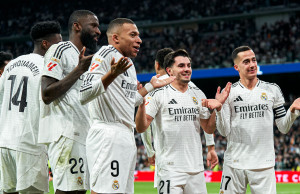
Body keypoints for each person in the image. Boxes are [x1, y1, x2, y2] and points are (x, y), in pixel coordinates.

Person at [79, 18, 174, 194]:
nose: (139, 40)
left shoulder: (128, 64)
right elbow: (83, 94)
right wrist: (111, 74)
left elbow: (128, 104)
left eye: (139, 35)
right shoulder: (105, 54)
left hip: (125, 135)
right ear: (115, 38)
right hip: (108, 135)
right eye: (133, 35)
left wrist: (150, 86)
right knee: (105, 191)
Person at [204, 46, 300, 194]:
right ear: (236, 67)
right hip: (234, 165)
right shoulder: (229, 92)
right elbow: (224, 131)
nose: (252, 65)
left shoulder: (272, 90)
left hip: (264, 165)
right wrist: (219, 108)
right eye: (246, 61)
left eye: (254, 60)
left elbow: (283, 127)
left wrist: (292, 111)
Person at [135, 49, 219, 194]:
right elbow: (141, 127)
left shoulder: (198, 93)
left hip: (196, 169)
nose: (186, 69)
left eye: (188, 65)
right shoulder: (157, 93)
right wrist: (142, 106)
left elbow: (208, 129)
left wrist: (218, 109)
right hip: (169, 169)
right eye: (181, 66)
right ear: (169, 70)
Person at [39, 10, 100, 194]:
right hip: (66, 134)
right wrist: (79, 71)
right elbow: (46, 93)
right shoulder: (60, 49)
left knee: (78, 190)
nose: (98, 31)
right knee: (68, 191)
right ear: (77, 26)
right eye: (94, 26)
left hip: (81, 135)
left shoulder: (82, 58)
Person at [0, 21, 62, 194]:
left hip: (4, 143)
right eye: (58, 44)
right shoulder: (48, 68)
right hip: (29, 145)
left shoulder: (12, 64)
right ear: (45, 44)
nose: (61, 50)